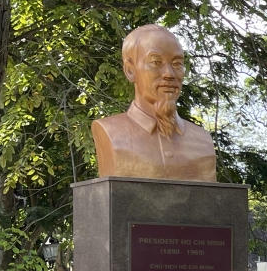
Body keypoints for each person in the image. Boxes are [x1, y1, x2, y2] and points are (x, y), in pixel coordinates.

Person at [92, 24, 217, 182]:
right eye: (156, 62)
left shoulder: (202, 140)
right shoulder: (111, 132)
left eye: (177, 64)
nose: (169, 74)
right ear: (130, 71)